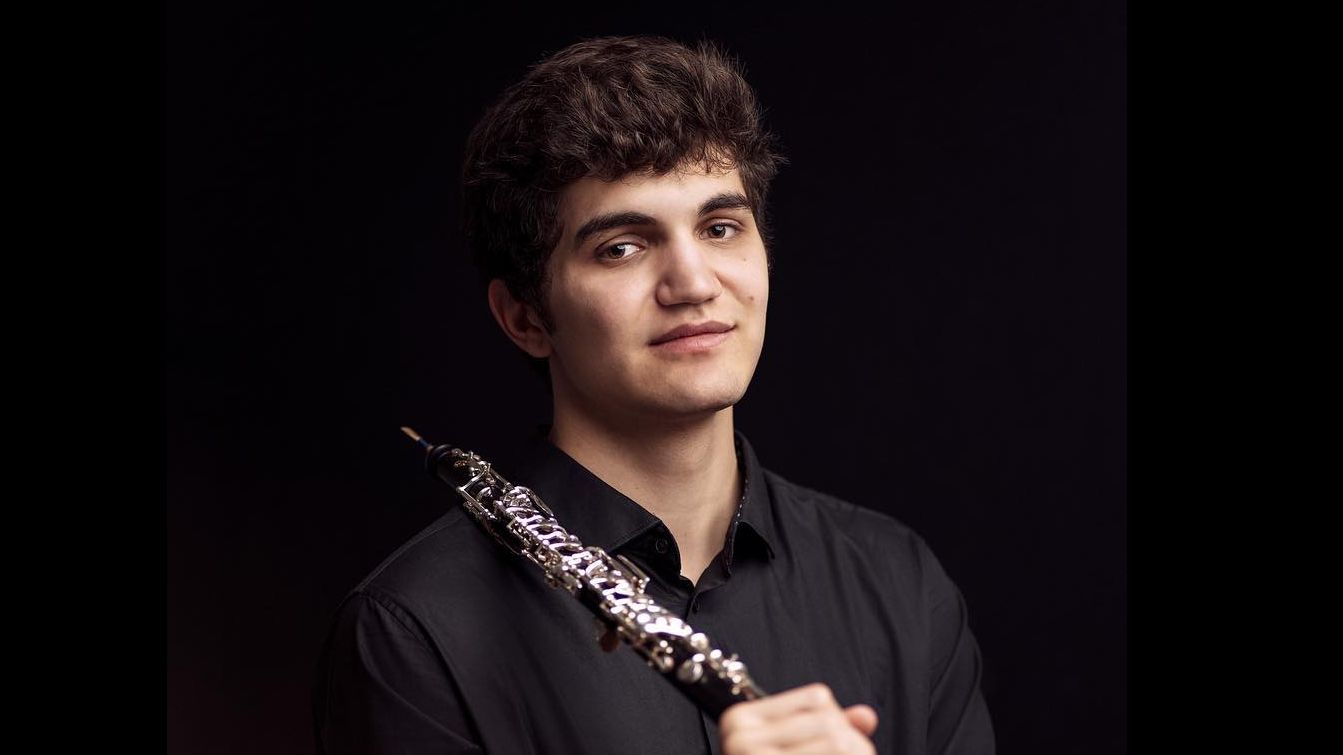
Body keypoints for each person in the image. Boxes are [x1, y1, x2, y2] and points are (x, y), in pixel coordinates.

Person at [313, 35, 994, 754]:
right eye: (622, 247)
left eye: (720, 227)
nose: (694, 283)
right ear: (524, 317)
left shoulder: (896, 581)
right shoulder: (413, 629)